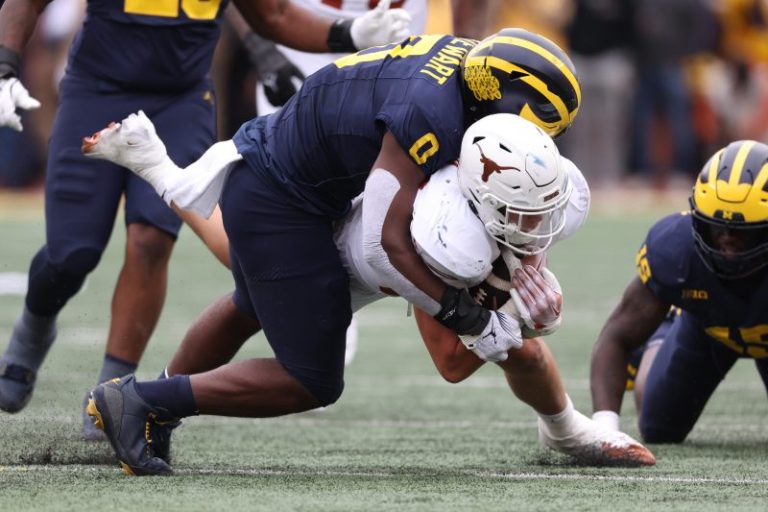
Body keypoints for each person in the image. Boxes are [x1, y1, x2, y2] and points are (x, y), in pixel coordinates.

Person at [81, 28, 586, 475]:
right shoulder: (430, 112)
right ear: (495, 97)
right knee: (313, 378)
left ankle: (149, 411)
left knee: (249, 304)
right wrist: (464, 314)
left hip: (283, 172)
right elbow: (383, 243)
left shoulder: (464, 72)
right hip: (278, 196)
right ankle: (139, 400)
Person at [0, 0, 411, 442]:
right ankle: (34, 328)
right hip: (96, 89)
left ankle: (112, 388)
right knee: (72, 253)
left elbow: (270, 15)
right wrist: (5, 65)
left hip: (182, 98)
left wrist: (350, 33)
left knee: (150, 241)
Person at [590, 140, 768, 442]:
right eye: (717, 229)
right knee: (658, 427)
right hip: (708, 328)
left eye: (742, 233)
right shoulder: (676, 250)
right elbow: (617, 336)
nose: (726, 243)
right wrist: (604, 429)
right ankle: (661, 335)